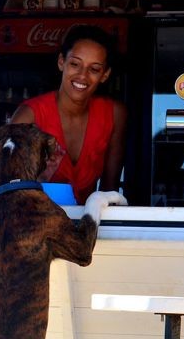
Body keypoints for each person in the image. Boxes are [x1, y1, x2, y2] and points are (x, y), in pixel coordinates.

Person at [10, 25, 126, 205]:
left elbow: (109, 191)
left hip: (87, 224)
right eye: (75, 64)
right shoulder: (29, 115)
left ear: (105, 75)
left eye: (94, 69)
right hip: (33, 225)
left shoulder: (114, 114)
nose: (82, 76)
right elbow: (2, 187)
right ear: (61, 62)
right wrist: (37, 178)